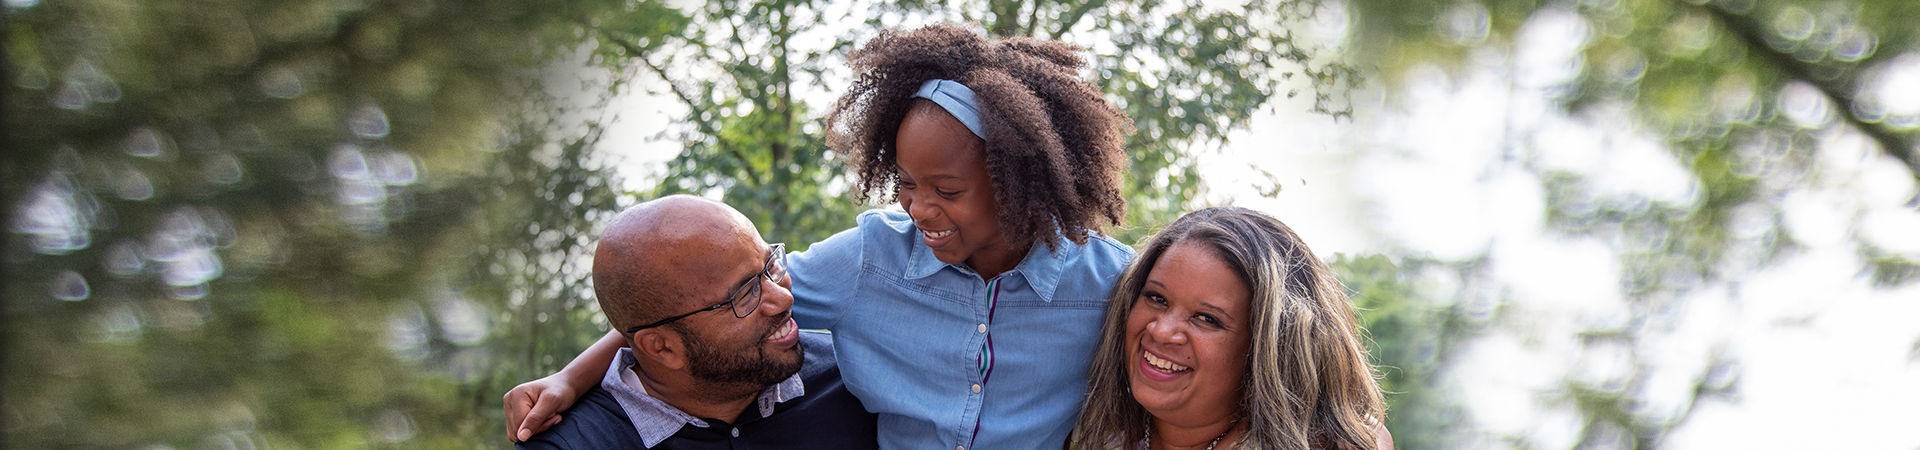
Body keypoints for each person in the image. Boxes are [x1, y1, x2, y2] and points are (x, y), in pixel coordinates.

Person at [506, 23, 1137, 450]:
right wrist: (568, 379)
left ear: (1020, 181)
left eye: (946, 190)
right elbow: (695, 306)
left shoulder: (1111, 283)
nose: (919, 208)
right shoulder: (869, 258)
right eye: (906, 184)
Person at [513, 195, 878, 450]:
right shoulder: (575, 443)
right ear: (662, 346)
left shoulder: (854, 379)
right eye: (744, 296)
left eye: (770, 265)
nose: (783, 298)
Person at [1071, 207, 1394, 450]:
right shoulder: (1092, 430)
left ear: (1269, 349)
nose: (1162, 330)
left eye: (1207, 318)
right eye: (1156, 298)